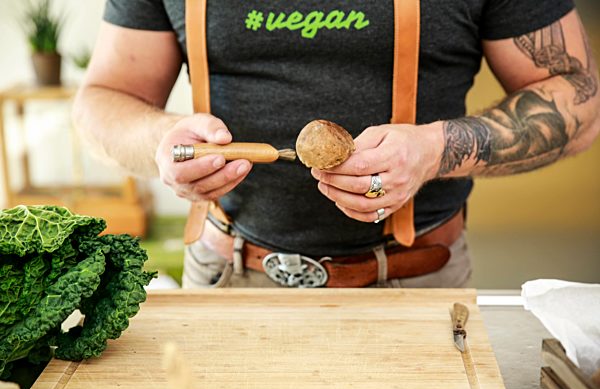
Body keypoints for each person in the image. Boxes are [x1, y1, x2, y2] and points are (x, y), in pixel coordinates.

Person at [73, 0, 599, 289]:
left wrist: (434, 149)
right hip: (227, 277)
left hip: (413, 282)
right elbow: (101, 101)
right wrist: (161, 140)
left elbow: (581, 101)